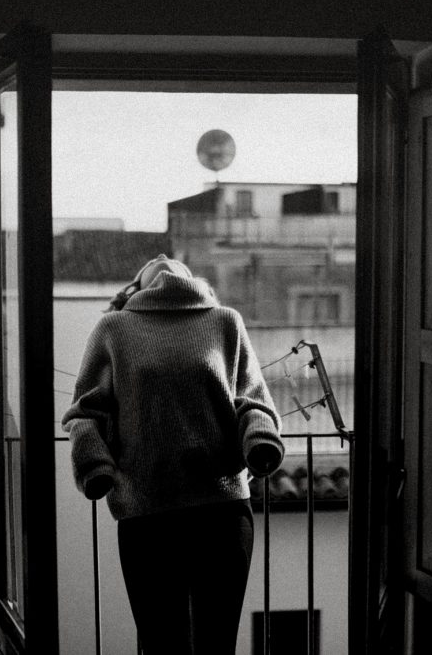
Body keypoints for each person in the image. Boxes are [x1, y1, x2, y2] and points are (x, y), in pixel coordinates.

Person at [62, 254, 284, 655]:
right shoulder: (114, 329)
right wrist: (93, 464)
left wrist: (261, 441)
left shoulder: (224, 322)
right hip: (148, 515)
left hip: (221, 511)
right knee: (164, 644)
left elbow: (252, 402)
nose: (163, 266)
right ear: (134, 289)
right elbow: (85, 413)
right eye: (154, 267)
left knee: (216, 644)